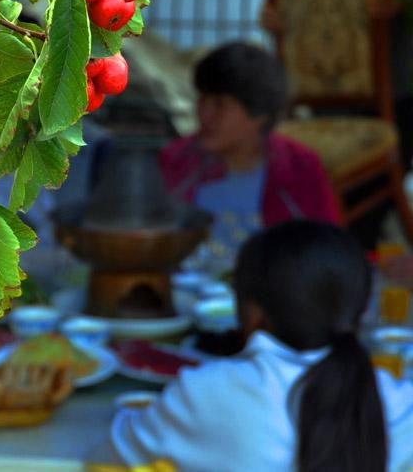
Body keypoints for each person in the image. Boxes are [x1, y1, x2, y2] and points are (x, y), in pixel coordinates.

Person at [109, 220, 413, 471]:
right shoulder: (400, 405)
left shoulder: (207, 393)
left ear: (252, 314)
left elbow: (111, 452)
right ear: (361, 307)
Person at [159, 42, 340, 267]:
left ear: (259, 114)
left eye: (220, 105)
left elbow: (328, 252)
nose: (205, 114)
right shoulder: (175, 160)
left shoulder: (299, 168)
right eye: (203, 99)